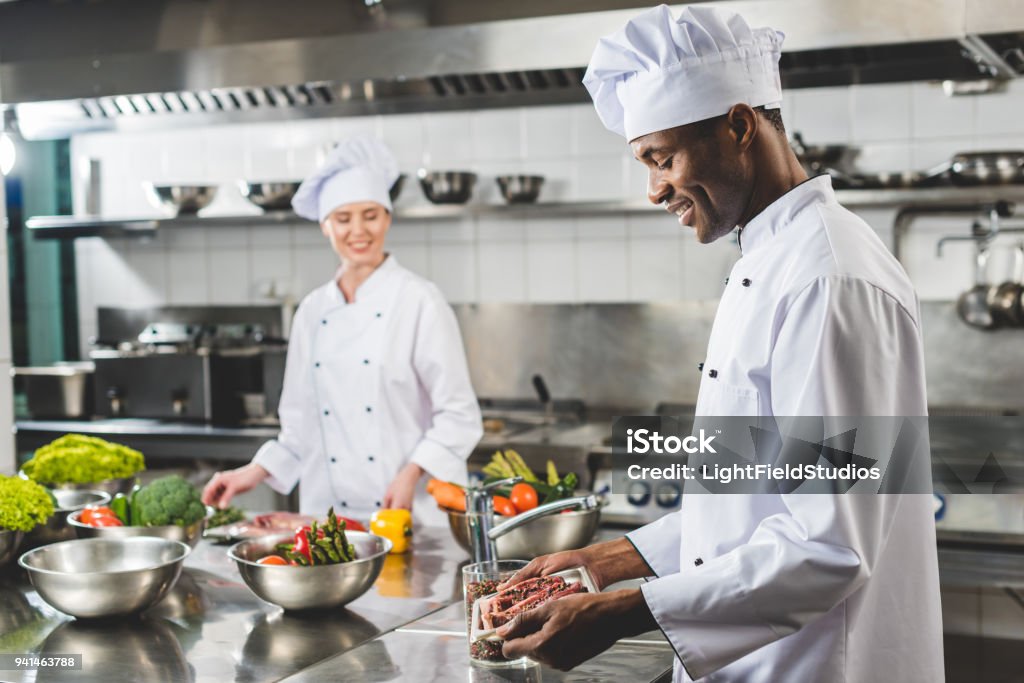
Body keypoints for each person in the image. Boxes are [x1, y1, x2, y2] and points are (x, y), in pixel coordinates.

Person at [496, 6, 943, 682]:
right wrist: (616, 557)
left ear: (738, 125)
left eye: (662, 157)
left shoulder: (827, 276)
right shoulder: (769, 258)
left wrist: (623, 610)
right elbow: (747, 496)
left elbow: (828, 545)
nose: (653, 189)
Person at [202, 136, 483, 526]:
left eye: (370, 215)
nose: (358, 230)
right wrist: (253, 471)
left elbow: (459, 415)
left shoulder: (419, 301)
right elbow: (299, 429)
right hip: (328, 520)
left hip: (408, 515)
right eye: (343, 218)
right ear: (325, 226)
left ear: (387, 217)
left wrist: (413, 471)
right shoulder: (313, 311)